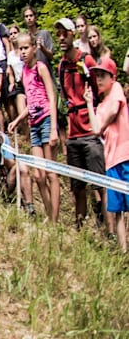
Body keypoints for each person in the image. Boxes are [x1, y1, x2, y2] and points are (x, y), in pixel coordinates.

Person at [58, 37, 107, 229]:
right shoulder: (62, 65)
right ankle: (80, 230)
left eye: (65, 33)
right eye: (58, 33)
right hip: (73, 134)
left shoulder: (87, 60)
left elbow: (99, 90)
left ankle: (109, 230)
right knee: (77, 188)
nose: (61, 37)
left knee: (100, 185)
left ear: (72, 35)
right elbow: (63, 95)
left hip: (90, 132)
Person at [13, 32, 60, 220]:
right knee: (39, 176)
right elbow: (31, 102)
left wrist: (54, 128)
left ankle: (55, 220)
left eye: (26, 48)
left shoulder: (41, 68)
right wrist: (18, 120)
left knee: (51, 173)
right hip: (34, 123)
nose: (23, 52)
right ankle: (49, 213)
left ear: (33, 48)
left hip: (47, 120)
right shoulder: (24, 71)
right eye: (20, 49)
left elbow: (52, 97)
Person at [89, 58, 129, 251]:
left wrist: (102, 127)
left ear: (112, 77)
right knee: (118, 210)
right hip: (111, 160)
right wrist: (89, 103)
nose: (99, 80)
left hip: (126, 155)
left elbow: (114, 111)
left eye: (103, 76)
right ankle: (123, 251)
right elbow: (95, 128)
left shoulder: (117, 89)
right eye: (97, 76)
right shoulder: (100, 105)